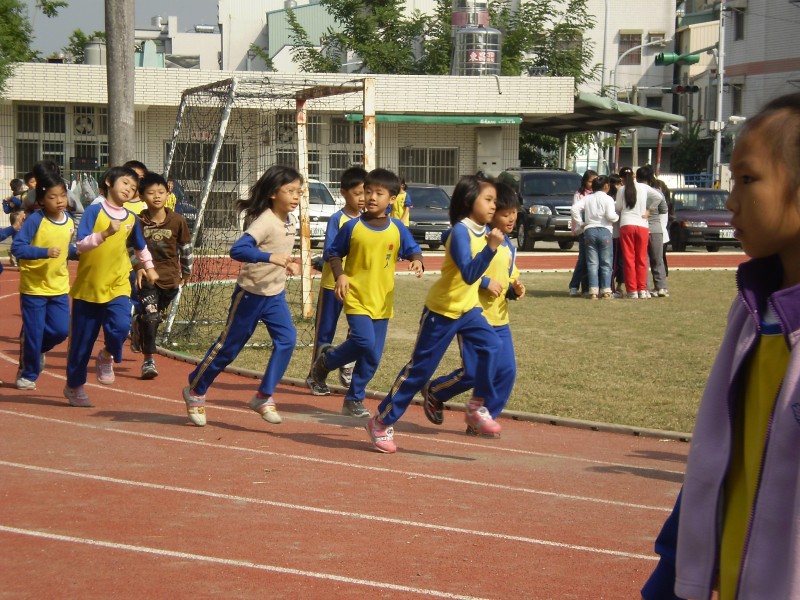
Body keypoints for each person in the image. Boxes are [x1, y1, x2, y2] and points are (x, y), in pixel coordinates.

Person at [641, 92, 800, 600]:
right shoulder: (753, 309)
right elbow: (718, 460)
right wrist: (672, 575)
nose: (731, 201)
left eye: (748, 180)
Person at [362, 173, 504, 454]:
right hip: (442, 311)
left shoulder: (483, 230)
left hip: (468, 309)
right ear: (468, 201)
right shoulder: (461, 232)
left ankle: (476, 406)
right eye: (488, 200)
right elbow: (469, 273)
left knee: (493, 347)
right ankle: (380, 421)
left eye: (494, 201)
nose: (493, 206)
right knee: (419, 372)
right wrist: (490, 248)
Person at [182, 165, 302, 427]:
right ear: (273, 193)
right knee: (228, 349)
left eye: (299, 192)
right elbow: (237, 250)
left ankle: (263, 396)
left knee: (287, 340)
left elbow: (278, 253)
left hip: (275, 295)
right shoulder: (265, 221)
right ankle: (195, 389)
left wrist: (287, 264)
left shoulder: (291, 220)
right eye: (290, 191)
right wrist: (270, 257)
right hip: (250, 295)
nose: (296, 196)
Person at [307, 168, 424, 418]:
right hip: (356, 297)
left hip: (382, 302)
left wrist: (417, 259)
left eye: (378, 193)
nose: (371, 197)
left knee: (372, 356)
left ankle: (353, 399)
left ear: (392, 199)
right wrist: (340, 275)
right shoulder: (352, 226)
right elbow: (334, 253)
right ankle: (327, 362)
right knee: (363, 341)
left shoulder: (397, 228)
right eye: (368, 191)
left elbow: (413, 248)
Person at [422, 180, 525, 428]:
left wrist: (514, 289)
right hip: (474, 313)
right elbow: (463, 267)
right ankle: (436, 391)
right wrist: (485, 281)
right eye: (505, 213)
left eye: (514, 213)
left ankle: (483, 417)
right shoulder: (475, 236)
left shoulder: (508, 245)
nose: (511, 218)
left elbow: (509, 276)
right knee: (473, 372)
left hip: (500, 318)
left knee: (506, 371)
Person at [63, 165, 158, 407]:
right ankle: (74, 386)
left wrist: (149, 268)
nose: (129, 189)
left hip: (119, 283)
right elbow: (80, 245)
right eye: (125, 183)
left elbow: (141, 247)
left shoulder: (131, 219)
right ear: (108, 182)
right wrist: (105, 233)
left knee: (121, 327)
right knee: (82, 343)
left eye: (133, 188)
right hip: (90, 286)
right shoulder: (94, 211)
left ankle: (107, 355)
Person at [11, 167, 77, 390]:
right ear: (41, 200)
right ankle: (28, 373)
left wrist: (79, 251)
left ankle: (37, 349)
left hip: (59, 286)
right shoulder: (35, 220)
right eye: (52, 197)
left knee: (61, 330)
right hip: (34, 288)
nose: (59, 201)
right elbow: (18, 248)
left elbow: (66, 249)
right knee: (34, 332)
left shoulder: (69, 221)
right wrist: (43, 252)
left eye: (62, 196)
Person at [305, 166, 367, 397]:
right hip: (333, 286)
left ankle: (346, 363)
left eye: (366, 193)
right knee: (325, 332)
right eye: (357, 193)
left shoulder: (370, 221)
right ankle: (315, 376)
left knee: (358, 332)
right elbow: (330, 251)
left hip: (359, 288)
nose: (362, 198)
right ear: (343, 193)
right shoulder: (337, 219)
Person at [129, 172, 193, 379]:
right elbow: (130, 247)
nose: (156, 196)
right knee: (151, 315)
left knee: (155, 317)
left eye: (161, 192)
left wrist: (187, 270)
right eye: (151, 193)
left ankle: (138, 323)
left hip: (170, 278)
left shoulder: (178, 220)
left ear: (168, 194)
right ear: (141, 196)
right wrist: (139, 266)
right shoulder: (138, 222)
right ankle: (149, 361)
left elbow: (185, 247)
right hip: (147, 278)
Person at [615, 168, 663, 299]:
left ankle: (632, 290)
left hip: (627, 224)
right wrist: (649, 211)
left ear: (621, 178)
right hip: (642, 225)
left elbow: (618, 207)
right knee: (641, 259)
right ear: (634, 175)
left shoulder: (621, 190)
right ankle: (642, 289)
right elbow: (659, 197)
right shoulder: (643, 187)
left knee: (629, 259)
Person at [572, 175, 618, 299]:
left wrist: (581, 223)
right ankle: (606, 290)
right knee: (606, 263)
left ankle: (593, 290)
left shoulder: (587, 198)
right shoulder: (608, 199)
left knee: (592, 263)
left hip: (589, 231)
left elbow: (574, 208)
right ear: (606, 186)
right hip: (605, 230)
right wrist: (617, 217)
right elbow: (611, 216)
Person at [639, 165, 669, 297]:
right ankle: (661, 287)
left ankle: (644, 287)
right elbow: (664, 209)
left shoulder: (636, 191)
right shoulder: (657, 192)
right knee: (658, 260)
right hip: (656, 228)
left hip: (640, 227)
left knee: (643, 260)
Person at [568, 170, 596, 297]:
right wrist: (580, 225)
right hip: (584, 230)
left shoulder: (597, 193)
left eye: (594, 181)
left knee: (590, 260)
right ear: (584, 181)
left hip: (594, 229)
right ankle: (574, 286)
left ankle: (587, 287)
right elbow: (575, 211)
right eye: (590, 181)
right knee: (583, 260)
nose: (592, 184)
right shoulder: (579, 194)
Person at [4, 178, 26, 266]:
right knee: (18, 237)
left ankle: (15, 255)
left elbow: (20, 203)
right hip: (17, 217)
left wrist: (11, 199)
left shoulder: (20, 196)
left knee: (18, 237)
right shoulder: (17, 196)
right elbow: (7, 210)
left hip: (17, 216)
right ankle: (16, 257)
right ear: (20, 187)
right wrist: (5, 202)